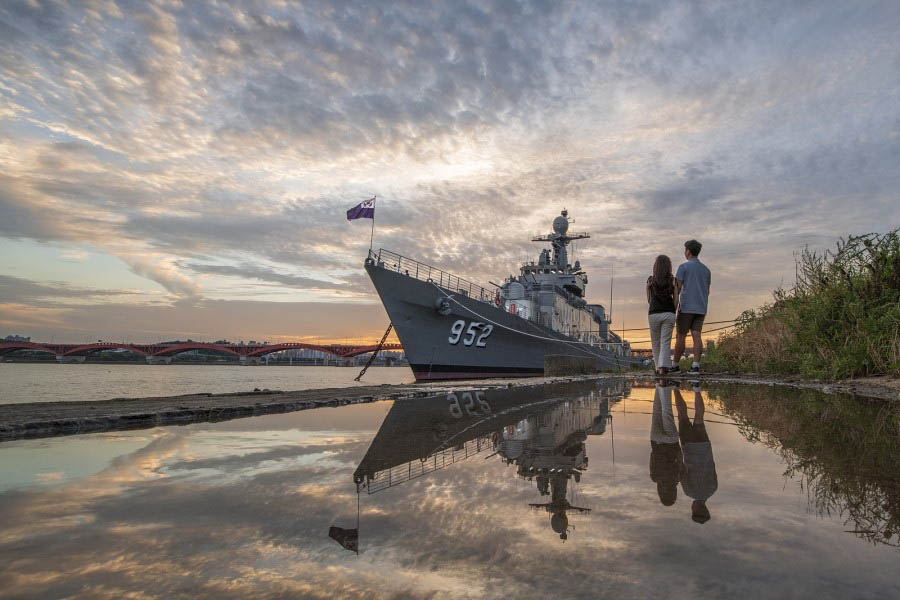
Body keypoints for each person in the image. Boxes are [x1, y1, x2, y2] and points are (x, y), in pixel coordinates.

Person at [674, 384, 717, 524]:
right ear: (695, 509)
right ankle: (675, 388)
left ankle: (697, 390)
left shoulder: (713, 489)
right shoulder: (689, 492)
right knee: (682, 417)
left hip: (704, 448)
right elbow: (682, 470)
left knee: (699, 418)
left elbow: (712, 467)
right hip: (689, 448)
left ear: (706, 509)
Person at [672, 239, 711, 374]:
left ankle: (675, 365)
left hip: (686, 307)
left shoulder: (683, 267)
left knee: (680, 336)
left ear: (688, 251)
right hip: (701, 307)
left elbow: (677, 290)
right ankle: (695, 366)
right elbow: (707, 291)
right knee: (697, 336)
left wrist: (674, 308)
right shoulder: (706, 270)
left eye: (685, 250)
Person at [649, 382, 682, 506]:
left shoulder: (677, 478)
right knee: (657, 410)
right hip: (656, 441)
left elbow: (680, 458)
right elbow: (652, 458)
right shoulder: (655, 478)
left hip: (671, 442)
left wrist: (677, 444)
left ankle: (665, 382)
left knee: (667, 410)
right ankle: (658, 382)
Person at [647, 255, 678, 375]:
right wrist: (672, 311)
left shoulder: (650, 280)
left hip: (654, 313)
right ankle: (663, 367)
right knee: (665, 341)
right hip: (668, 313)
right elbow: (676, 300)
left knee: (655, 341)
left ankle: (657, 368)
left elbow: (649, 299)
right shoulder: (673, 280)